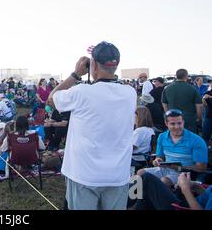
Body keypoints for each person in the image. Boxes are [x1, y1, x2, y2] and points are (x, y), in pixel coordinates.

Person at [49, 41, 136, 210]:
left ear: (93, 64)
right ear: (116, 65)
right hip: (118, 175)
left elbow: (51, 99)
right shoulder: (130, 93)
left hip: (84, 174)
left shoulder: (81, 92)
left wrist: (75, 74)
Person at [136, 109, 208, 187]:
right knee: (140, 173)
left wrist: (179, 168)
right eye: (173, 124)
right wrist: (157, 161)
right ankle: (145, 198)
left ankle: (160, 198)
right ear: (166, 123)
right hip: (165, 169)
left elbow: (201, 168)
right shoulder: (162, 137)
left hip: (184, 173)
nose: (177, 127)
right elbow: (159, 158)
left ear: (183, 122)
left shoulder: (196, 140)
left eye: (179, 123)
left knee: (164, 181)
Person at [134, 172, 212, 210]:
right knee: (146, 193)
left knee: (147, 178)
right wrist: (196, 187)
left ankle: (122, 200)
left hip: (182, 208)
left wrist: (185, 189)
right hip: (187, 203)